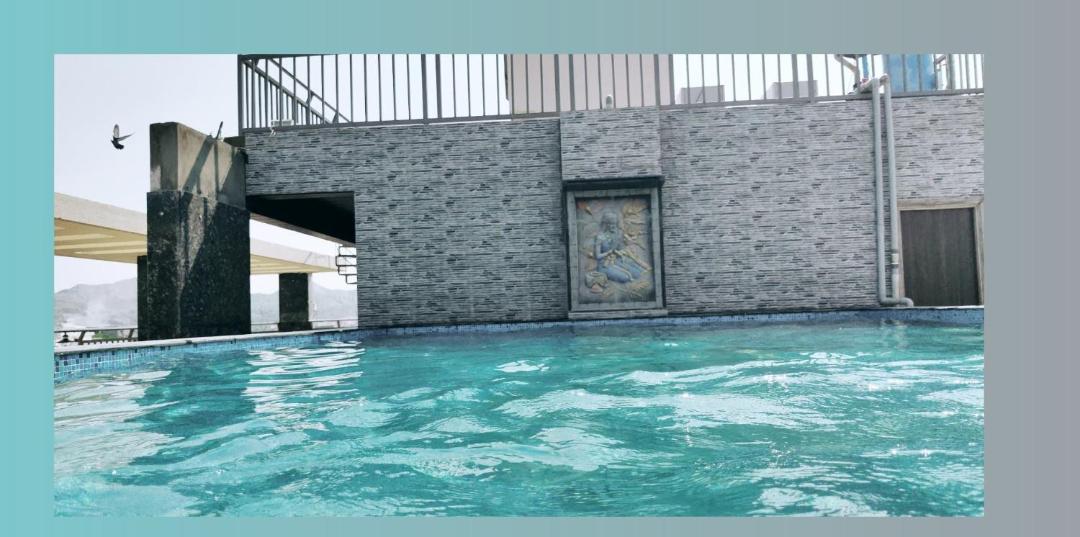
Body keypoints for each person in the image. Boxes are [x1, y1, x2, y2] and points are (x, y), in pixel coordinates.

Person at [593, 211, 647, 284]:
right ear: (606, 224)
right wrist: (608, 253)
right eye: (611, 224)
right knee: (626, 278)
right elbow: (597, 256)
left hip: (616, 261)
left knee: (637, 273)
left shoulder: (616, 235)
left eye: (615, 224)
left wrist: (621, 253)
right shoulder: (600, 237)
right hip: (604, 265)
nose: (614, 226)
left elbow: (619, 249)